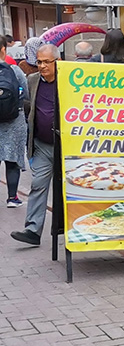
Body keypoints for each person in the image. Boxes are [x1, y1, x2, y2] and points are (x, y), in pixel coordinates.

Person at [11, 43, 59, 246]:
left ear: (58, 62)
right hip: (41, 145)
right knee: (38, 185)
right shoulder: (32, 81)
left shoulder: (69, 82)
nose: (42, 66)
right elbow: (30, 107)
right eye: (39, 61)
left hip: (65, 147)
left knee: (69, 189)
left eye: (47, 62)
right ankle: (32, 230)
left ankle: (72, 228)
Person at [0, 37, 28, 208]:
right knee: (12, 161)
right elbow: (25, 92)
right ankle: (12, 198)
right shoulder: (14, 70)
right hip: (13, 121)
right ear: (4, 49)